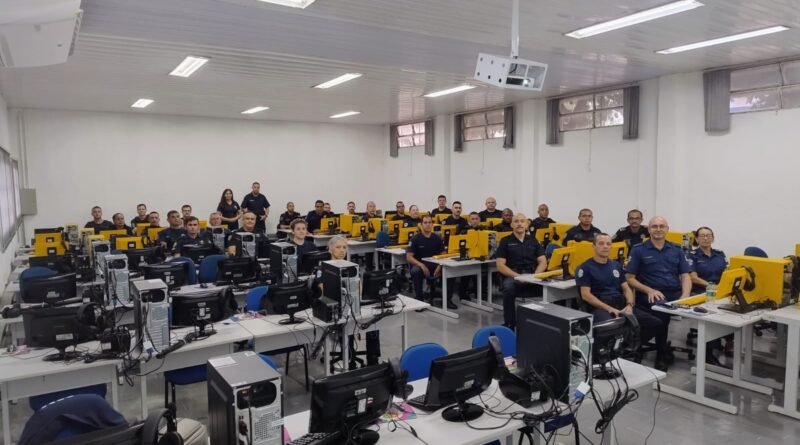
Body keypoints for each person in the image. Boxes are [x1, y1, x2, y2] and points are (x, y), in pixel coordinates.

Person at [576, 233, 666, 366]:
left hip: (621, 305)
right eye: (601, 244)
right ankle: (607, 356)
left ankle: (627, 348)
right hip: (601, 307)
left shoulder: (616, 265)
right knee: (611, 327)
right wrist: (609, 309)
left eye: (608, 244)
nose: (605, 247)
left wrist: (629, 305)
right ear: (593, 246)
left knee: (656, 323)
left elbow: (626, 288)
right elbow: (586, 295)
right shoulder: (585, 268)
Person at [625, 216, 692, 371]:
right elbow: (629, 278)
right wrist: (649, 290)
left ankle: (708, 353)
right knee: (662, 312)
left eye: (662, 226)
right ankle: (661, 353)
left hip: (674, 292)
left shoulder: (676, 249)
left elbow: (685, 275)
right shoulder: (638, 250)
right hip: (650, 293)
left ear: (667, 229)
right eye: (654, 226)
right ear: (649, 230)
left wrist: (685, 295)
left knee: (702, 308)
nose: (658, 229)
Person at [496, 213, 547, 329]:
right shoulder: (505, 241)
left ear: (527, 224)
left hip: (532, 275)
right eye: (516, 221)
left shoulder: (533, 240)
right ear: (511, 225)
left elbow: (543, 261)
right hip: (513, 275)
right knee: (508, 288)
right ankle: (510, 323)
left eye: (522, 221)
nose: (519, 224)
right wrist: (518, 276)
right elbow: (500, 266)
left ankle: (549, 323)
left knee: (554, 288)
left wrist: (535, 276)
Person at [406, 215, 456, 309]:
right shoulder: (415, 239)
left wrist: (440, 266)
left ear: (432, 224)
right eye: (425, 223)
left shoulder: (437, 238)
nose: (428, 225)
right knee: (416, 271)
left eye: (430, 222)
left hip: (435, 266)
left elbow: (443, 255)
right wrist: (421, 265)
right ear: (421, 225)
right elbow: (409, 257)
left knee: (450, 272)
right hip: (420, 265)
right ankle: (419, 300)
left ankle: (447, 300)